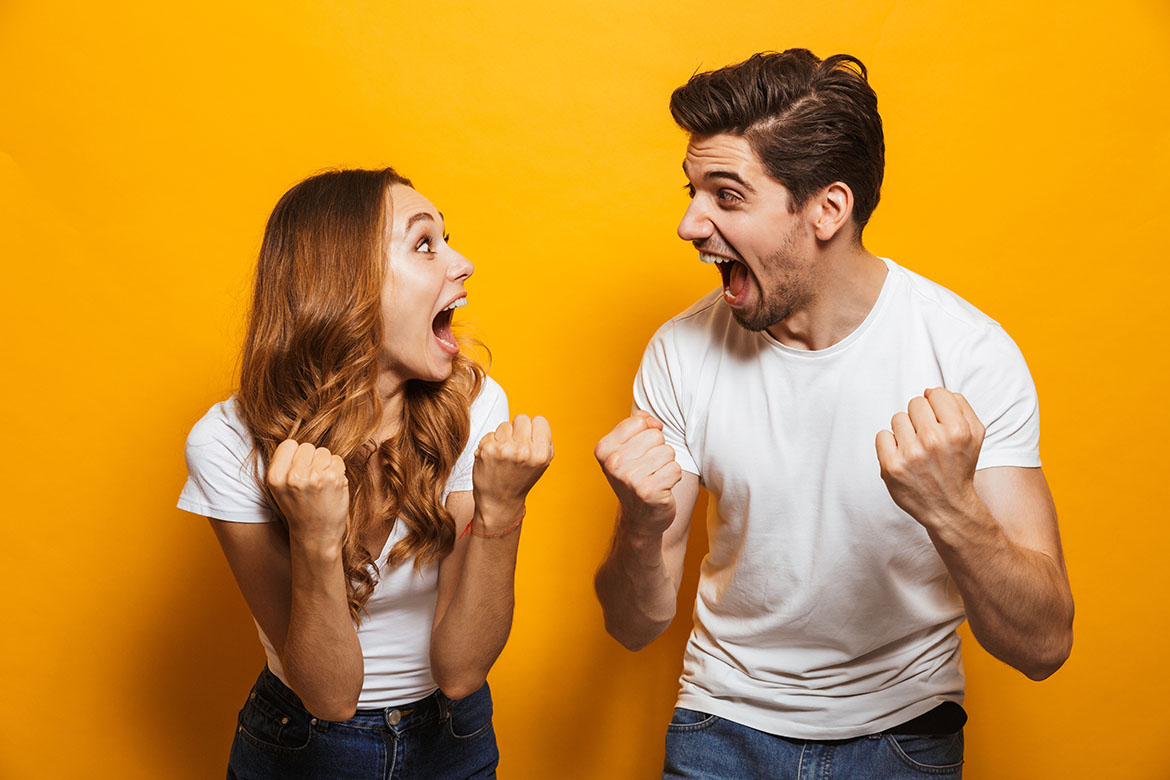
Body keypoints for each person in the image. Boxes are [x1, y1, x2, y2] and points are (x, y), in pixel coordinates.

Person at [593, 50, 1073, 778]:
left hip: (905, 737)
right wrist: (639, 521)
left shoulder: (967, 353)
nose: (690, 224)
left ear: (827, 208)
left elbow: (1043, 645)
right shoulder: (682, 352)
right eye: (692, 192)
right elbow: (634, 626)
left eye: (725, 195)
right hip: (721, 726)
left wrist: (950, 509)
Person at [178, 167, 552, 780]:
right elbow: (329, 697)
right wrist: (317, 538)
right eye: (424, 243)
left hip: (452, 736)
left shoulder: (474, 406)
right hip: (300, 742)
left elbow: (460, 671)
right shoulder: (226, 441)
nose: (463, 263)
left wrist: (502, 513)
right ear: (345, 284)